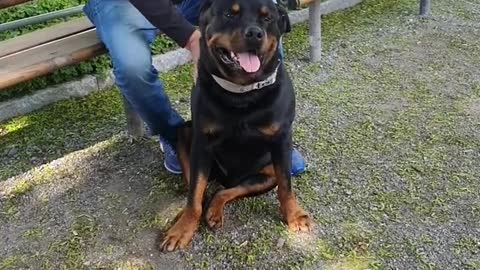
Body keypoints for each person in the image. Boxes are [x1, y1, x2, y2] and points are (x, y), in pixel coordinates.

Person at [83, 0, 306, 176]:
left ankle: (268, 137)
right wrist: (190, 38)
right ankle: (175, 138)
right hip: (124, 4)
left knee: (262, 10)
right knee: (132, 66)